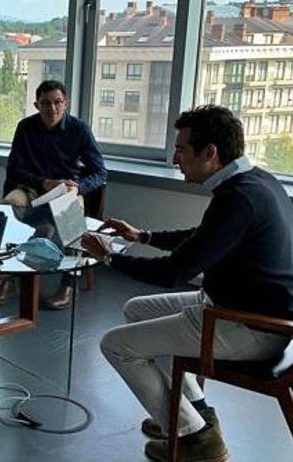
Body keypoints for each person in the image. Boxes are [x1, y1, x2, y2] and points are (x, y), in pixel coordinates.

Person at [81, 105, 293, 461]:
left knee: (115, 346)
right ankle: (196, 412)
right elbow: (206, 237)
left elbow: (172, 273)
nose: (175, 157)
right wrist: (143, 235)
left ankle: (196, 439)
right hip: (242, 311)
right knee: (136, 310)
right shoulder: (257, 181)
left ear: (210, 153)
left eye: (181, 149)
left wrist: (109, 258)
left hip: (249, 328)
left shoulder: (239, 198)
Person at [0, 80, 107, 310]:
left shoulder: (79, 129)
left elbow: (100, 172)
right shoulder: (25, 127)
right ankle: (10, 274)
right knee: (11, 204)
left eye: (57, 102)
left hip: (66, 190)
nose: (52, 109)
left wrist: (78, 187)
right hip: (31, 187)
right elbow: (14, 169)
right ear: (36, 105)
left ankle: (69, 284)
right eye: (45, 103)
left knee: (71, 217)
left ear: (65, 103)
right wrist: (43, 182)